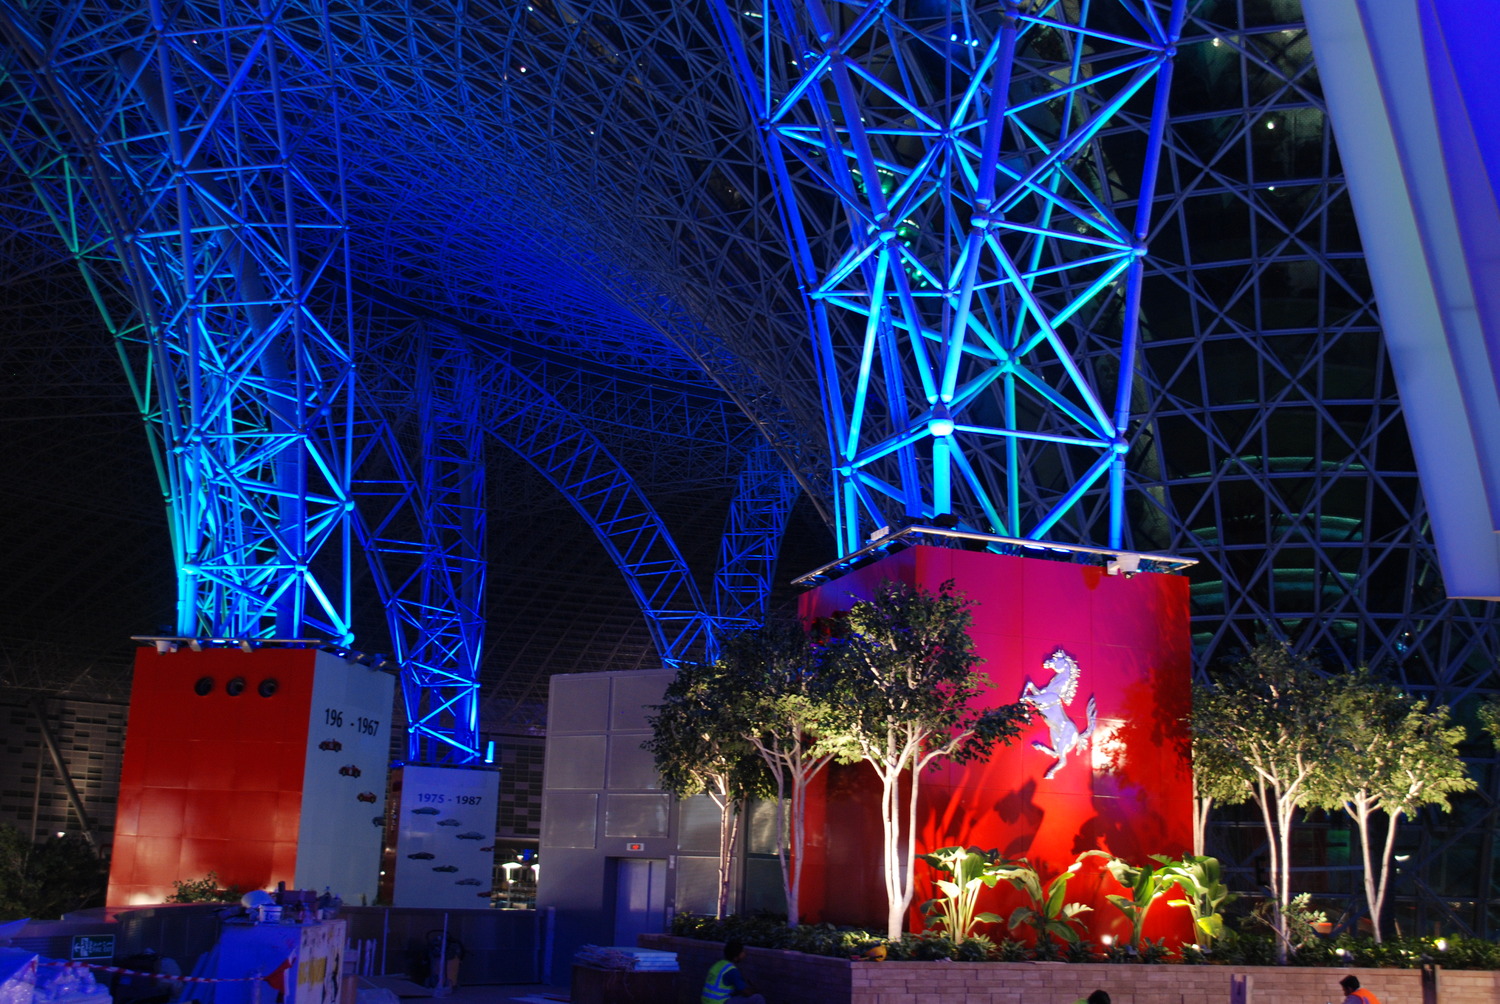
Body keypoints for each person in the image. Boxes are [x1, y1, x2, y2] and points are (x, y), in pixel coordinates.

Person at [701, 940, 766, 1004]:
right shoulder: (731, 970)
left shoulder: (718, 964)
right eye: (742, 952)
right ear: (736, 957)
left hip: (707, 1001)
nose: (745, 954)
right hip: (719, 1002)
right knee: (758, 998)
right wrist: (755, 991)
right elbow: (746, 993)